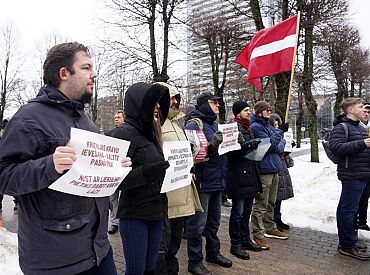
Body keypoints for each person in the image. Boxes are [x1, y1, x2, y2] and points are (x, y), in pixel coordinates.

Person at [0, 42, 131, 275]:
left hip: (98, 249)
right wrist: (49, 165)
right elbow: (3, 176)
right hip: (55, 259)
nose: (94, 74)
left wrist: (113, 169)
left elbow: (87, 175)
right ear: (64, 73)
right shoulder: (28, 119)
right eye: (86, 68)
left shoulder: (85, 120)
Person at [111, 82, 171, 275]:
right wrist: (147, 172)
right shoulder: (123, 133)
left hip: (156, 210)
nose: (158, 107)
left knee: (150, 268)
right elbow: (115, 180)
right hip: (135, 214)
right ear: (139, 104)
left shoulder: (151, 133)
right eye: (153, 102)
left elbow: (157, 168)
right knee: (136, 270)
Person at [154, 82, 202, 275]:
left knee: (174, 244)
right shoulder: (155, 123)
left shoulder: (177, 124)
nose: (175, 102)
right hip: (167, 195)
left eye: (176, 98)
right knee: (163, 246)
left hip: (181, 192)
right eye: (171, 98)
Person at [185, 92, 232, 275]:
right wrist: (212, 146)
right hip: (203, 182)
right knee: (197, 225)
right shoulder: (193, 124)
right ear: (205, 104)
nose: (218, 106)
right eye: (214, 103)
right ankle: (194, 261)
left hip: (217, 181)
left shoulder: (213, 124)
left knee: (214, 222)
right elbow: (193, 155)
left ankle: (213, 253)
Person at [329, 97, 370, 261]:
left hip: (362, 174)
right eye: (360, 107)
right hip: (352, 175)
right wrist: (363, 144)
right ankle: (346, 245)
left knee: (349, 210)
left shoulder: (360, 127)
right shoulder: (341, 127)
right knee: (348, 210)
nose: (363, 110)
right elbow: (336, 147)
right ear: (351, 110)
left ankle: (349, 241)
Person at [250, 101, 288, 250]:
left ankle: (269, 226)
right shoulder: (256, 127)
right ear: (260, 112)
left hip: (273, 167)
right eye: (267, 110)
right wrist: (279, 134)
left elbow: (279, 146)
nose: (270, 112)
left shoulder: (268, 126)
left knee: (271, 201)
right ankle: (258, 233)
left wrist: (277, 140)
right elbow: (269, 146)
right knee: (261, 203)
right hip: (264, 169)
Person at [227, 100, 262, 261]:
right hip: (238, 176)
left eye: (249, 110)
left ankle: (245, 239)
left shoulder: (248, 127)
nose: (249, 112)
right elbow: (230, 153)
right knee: (237, 213)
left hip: (250, 174)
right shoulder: (233, 128)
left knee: (247, 211)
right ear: (237, 113)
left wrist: (258, 147)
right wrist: (248, 146)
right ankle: (236, 245)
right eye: (246, 110)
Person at [268, 114, 294, 232]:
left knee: (279, 197)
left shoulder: (280, 135)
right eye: (275, 123)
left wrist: (289, 148)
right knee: (273, 197)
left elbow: (284, 155)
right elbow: (276, 148)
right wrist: (283, 143)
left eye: (278, 124)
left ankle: (277, 217)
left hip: (281, 167)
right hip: (273, 167)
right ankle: (272, 219)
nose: (277, 126)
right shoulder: (273, 135)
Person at [106, 110, 125, 234]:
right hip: (112, 171)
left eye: (118, 117)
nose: (116, 119)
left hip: (125, 171)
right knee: (112, 199)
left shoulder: (131, 133)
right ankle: (114, 222)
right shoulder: (109, 134)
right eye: (115, 117)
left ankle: (123, 221)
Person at [356, 103, 370, 231]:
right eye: (364, 111)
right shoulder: (355, 127)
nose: (366, 114)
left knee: (365, 197)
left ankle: (362, 221)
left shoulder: (368, 127)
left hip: (368, 169)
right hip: (357, 170)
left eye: (368, 112)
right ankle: (354, 225)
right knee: (356, 199)